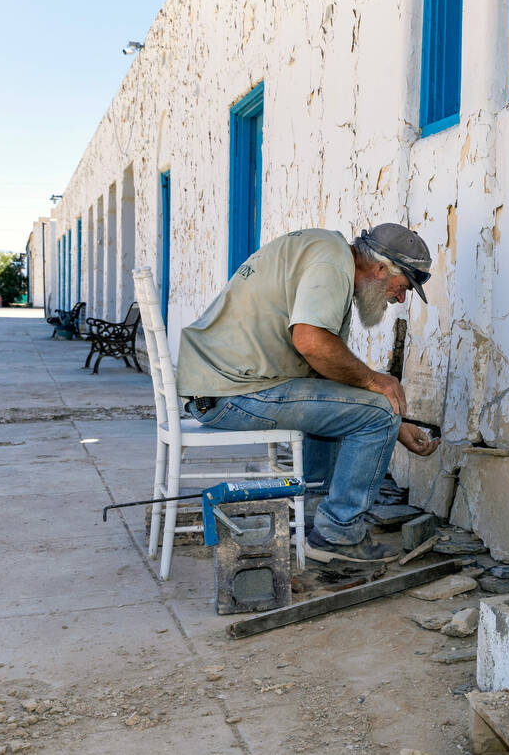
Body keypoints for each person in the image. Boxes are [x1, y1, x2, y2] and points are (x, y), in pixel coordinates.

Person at [176, 224, 440, 563]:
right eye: (402, 287)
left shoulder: (327, 250)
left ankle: (316, 518)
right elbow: (312, 343)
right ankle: (339, 534)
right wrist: (379, 387)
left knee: (363, 406)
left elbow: (323, 370)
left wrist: (396, 425)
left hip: (219, 385)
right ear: (380, 268)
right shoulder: (332, 265)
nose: (399, 299)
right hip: (231, 392)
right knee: (377, 412)